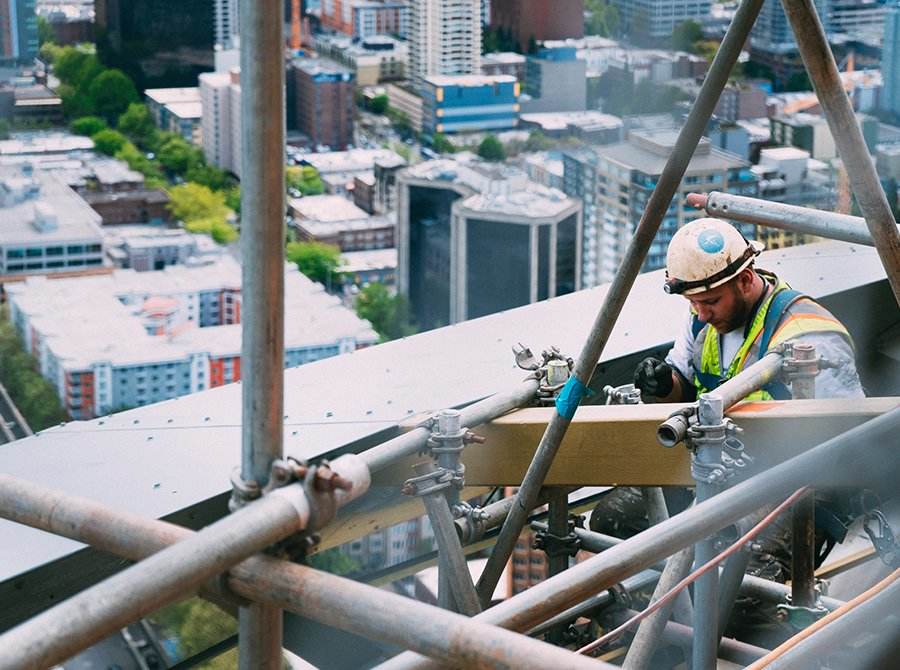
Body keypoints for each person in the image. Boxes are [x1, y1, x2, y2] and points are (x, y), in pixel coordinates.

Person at [633, 217, 864, 403]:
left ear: (744, 281)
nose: (702, 314)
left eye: (711, 302)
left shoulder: (809, 336)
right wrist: (665, 384)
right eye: (693, 302)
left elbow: (843, 432)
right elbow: (685, 387)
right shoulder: (700, 315)